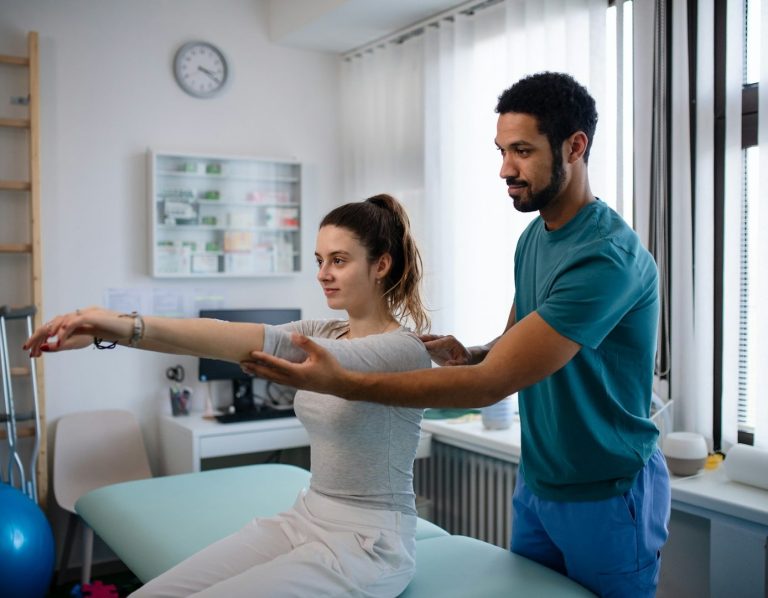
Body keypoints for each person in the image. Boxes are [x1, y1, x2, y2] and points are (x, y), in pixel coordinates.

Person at [242, 72, 671, 598]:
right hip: (540, 483)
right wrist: (468, 353)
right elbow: (512, 343)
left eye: (521, 151)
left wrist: (344, 382)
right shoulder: (534, 237)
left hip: (608, 490)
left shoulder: (606, 257)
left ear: (575, 146)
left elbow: (493, 384)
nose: (505, 169)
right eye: (500, 150)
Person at [24, 194, 432, 598]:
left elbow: (252, 340)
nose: (323, 273)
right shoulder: (326, 331)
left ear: (381, 265)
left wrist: (118, 322)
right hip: (306, 517)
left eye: (338, 260)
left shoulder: (402, 349)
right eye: (319, 260)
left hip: (368, 545)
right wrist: (101, 332)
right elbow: (217, 339)